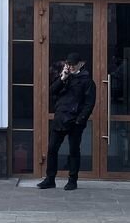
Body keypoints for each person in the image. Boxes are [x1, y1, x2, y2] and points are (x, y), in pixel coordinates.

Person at [37, 52, 96, 191]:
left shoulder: (87, 81)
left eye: (73, 64)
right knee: (52, 149)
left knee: (74, 151)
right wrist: (62, 78)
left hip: (75, 121)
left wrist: (80, 120)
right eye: (68, 64)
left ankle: (72, 180)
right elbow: (52, 91)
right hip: (60, 118)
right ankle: (50, 179)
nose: (71, 67)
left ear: (81, 64)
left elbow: (89, 104)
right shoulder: (65, 77)